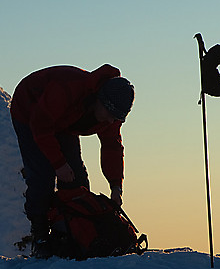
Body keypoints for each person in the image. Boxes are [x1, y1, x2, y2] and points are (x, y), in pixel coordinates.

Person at [10, 64, 135, 257]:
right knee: (42, 176)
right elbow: (41, 125)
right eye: (110, 116)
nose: (111, 122)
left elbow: (112, 147)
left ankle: (72, 234)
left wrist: (115, 186)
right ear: (100, 101)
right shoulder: (69, 88)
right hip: (30, 111)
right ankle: (40, 236)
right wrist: (59, 163)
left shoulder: (111, 112)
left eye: (117, 119)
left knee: (77, 180)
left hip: (65, 120)